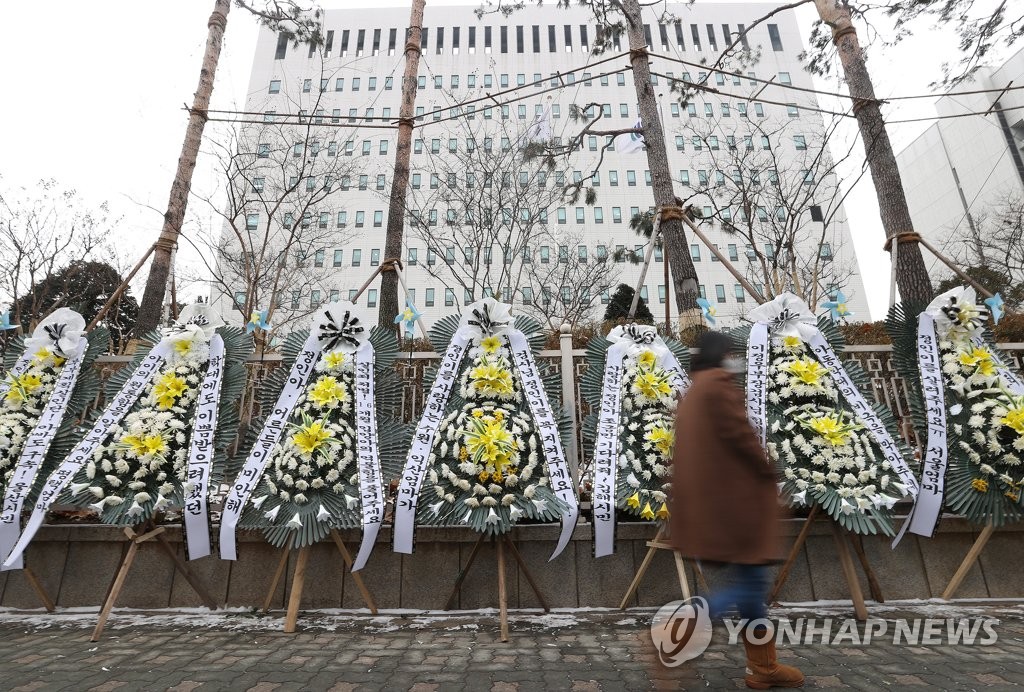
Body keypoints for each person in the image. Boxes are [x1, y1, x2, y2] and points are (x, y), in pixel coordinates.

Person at [670, 331, 804, 690]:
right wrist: (768, 472)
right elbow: (742, 437)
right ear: (722, 354)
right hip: (737, 505)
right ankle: (675, 633)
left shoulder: (694, 391)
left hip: (717, 504)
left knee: (751, 589)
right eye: (731, 353)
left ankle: (762, 668)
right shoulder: (717, 387)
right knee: (748, 588)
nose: (734, 359)